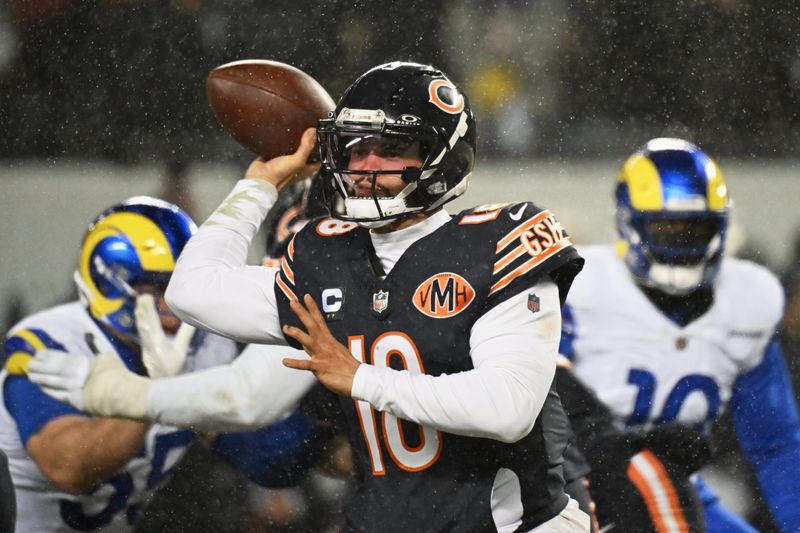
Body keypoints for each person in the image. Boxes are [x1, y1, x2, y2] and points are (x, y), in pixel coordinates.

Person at [158, 61, 590, 531]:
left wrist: (362, 378)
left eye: (390, 149)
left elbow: (508, 409)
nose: (365, 167)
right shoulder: (325, 256)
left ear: (440, 155)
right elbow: (192, 291)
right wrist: (262, 182)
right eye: (355, 147)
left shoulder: (496, 243)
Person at [1, 197, 317, 532]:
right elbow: (69, 469)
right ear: (109, 282)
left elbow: (266, 460)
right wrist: (154, 391)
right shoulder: (51, 342)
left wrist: (324, 421)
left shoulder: (201, 344)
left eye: (185, 283)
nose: (177, 301)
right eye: (159, 286)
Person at [560, 138, 800, 532]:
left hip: (676, 487)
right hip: (576, 487)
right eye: (666, 227)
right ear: (629, 221)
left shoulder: (747, 302)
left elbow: (774, 443)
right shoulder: (581, 288)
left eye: (695, 227)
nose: (681, 241)